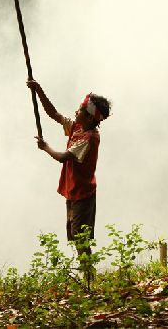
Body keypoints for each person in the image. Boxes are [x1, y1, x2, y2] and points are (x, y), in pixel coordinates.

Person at [27, 79, 111, 258]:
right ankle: (87, 276)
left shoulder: (89, 138)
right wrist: (38, 90)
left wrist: (45, 147)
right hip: (74, 191)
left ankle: (89, 277)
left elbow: (63, 157)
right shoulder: (79, 127)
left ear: (89, 117)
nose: (76, 111)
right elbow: (54, 114)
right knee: (75, 234)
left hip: (83, 194)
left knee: (81, 238)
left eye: (80, 110)